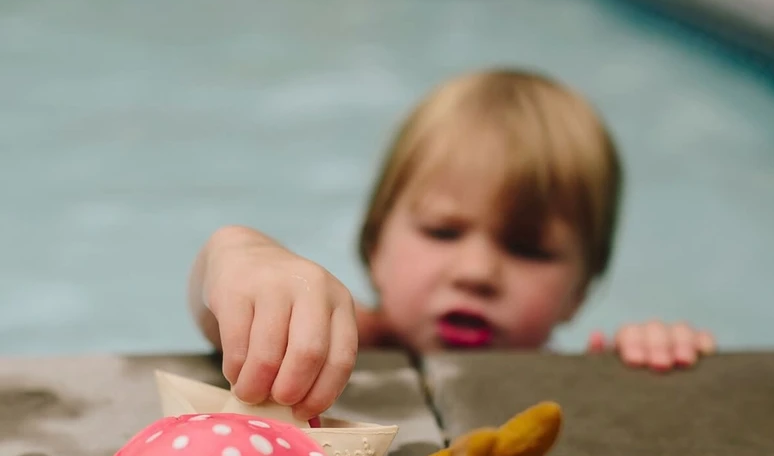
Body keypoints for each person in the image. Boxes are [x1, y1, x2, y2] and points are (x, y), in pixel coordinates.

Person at [188, 68, 715, 421]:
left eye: (529, 250)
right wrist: (242, 257)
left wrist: (650, 361)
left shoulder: (573, 382)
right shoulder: (338, 342)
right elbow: (219, 311)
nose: (477, 272)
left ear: (581, 291)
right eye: (443, 232)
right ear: (375, 247)